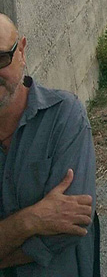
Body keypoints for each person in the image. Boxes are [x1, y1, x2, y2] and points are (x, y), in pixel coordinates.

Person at [0, 15, 98, 277]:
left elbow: (72, 227)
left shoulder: (64, 116)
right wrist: (31, 220)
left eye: (0, 59)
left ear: (21, 50)